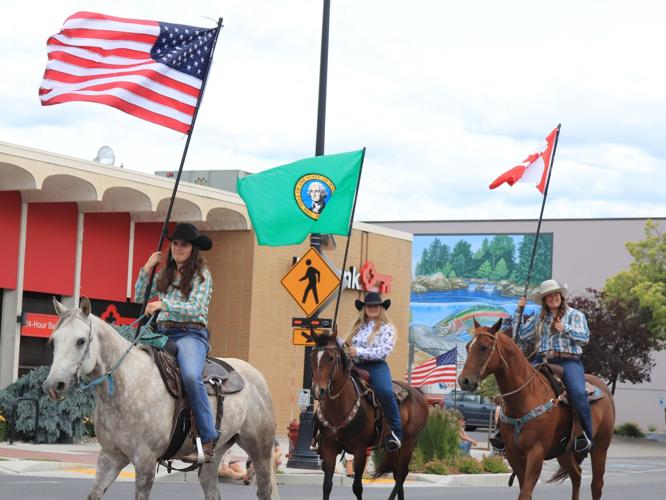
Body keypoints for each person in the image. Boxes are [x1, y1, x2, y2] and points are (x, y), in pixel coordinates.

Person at [135, 222, 217, 463]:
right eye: (175, 243)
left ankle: (208, 438)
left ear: (193, 249)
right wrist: (146, 269)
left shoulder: (202, 276)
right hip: (162, 334)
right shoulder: (165, 274)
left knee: (191, 376)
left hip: (190, 335)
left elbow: (195, 309)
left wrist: (164, 304)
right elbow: (141, 297)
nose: (179, 248)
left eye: (185, 244)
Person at [493, 279, 593, 455]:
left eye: (556, 294)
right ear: (545, 300)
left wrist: (564, 328)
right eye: (549, 296)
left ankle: (584, 435)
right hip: (542, 360)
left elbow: (584, 338)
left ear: (561, 297)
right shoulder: (539, 318)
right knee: (516, 385)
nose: (553, 298)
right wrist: (519, 310)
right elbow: (519, 336)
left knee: (577, 392)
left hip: (568, 361)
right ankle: (502, 433)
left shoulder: (575, 315)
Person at [343, 292, 403, 452]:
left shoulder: (387, 328)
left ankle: (396, 433)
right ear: (364, 308)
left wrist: (359, 352)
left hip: (376, 366)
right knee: (335, 384)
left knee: (385, 392)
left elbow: (384, 351)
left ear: (381, 308)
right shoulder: (357, 328)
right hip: (354, 366)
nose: (373, 308)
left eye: (376, 305)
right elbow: (348, 346)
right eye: (369, 306)